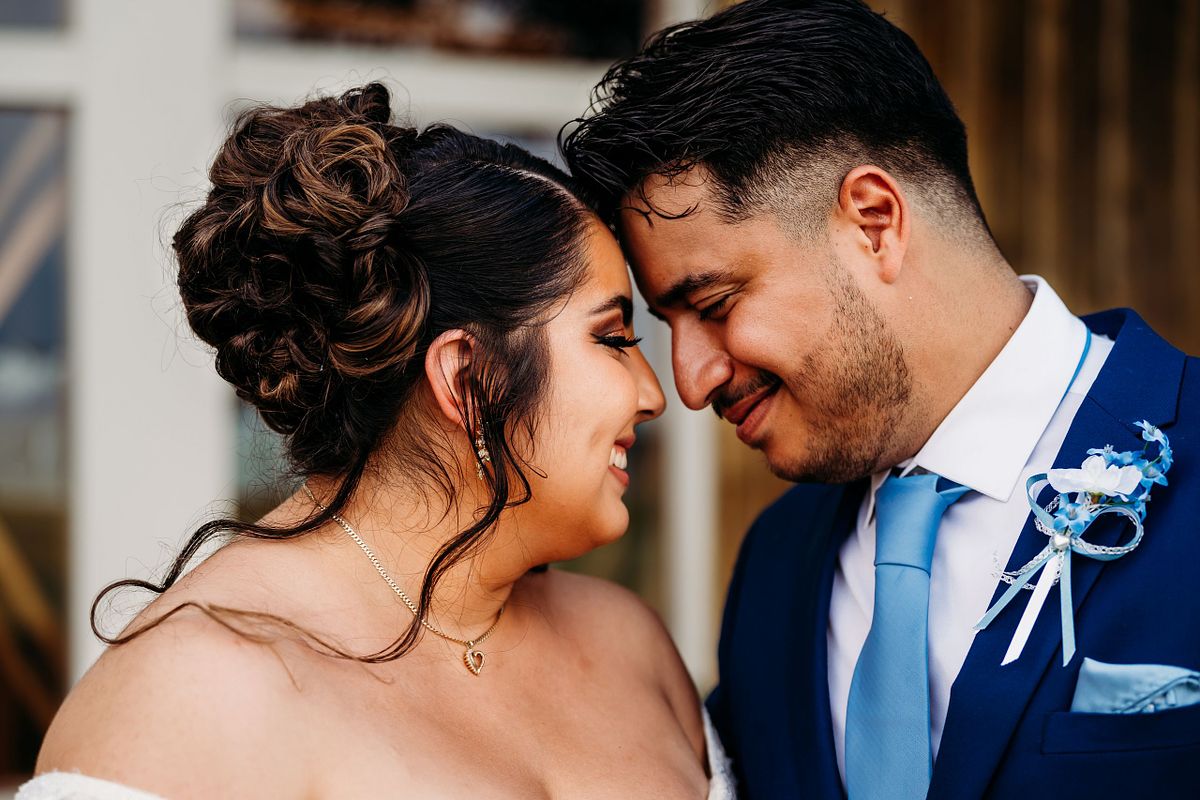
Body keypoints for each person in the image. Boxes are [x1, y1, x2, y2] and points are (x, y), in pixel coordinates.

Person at [24, 84, 735, 799]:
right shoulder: (192, 696)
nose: (655, 393)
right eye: (612, 338)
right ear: (468, 379)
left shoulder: (632, 647)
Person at [562, 0, 1200, 798]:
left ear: (874, 223)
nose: (690, 382)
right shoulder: (776, 565)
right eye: (668, 328)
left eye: (715, 304)